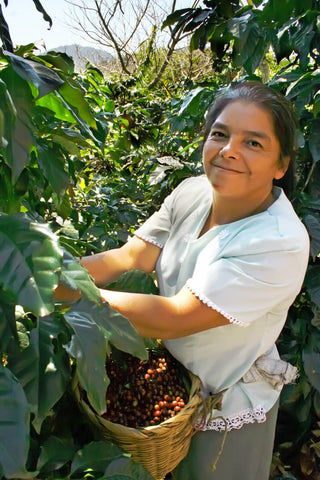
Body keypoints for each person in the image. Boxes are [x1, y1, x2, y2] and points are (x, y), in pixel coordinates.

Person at [58, 81, 310, 479]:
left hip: (227, 403)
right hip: (177, 381)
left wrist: (66, 291)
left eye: (254, 144)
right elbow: (130, 257)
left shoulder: (278, 242)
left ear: (281, 165)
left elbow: (176, 316)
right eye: (220, 134)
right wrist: (52, 270)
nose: (229, 150)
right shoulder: (192, 192)